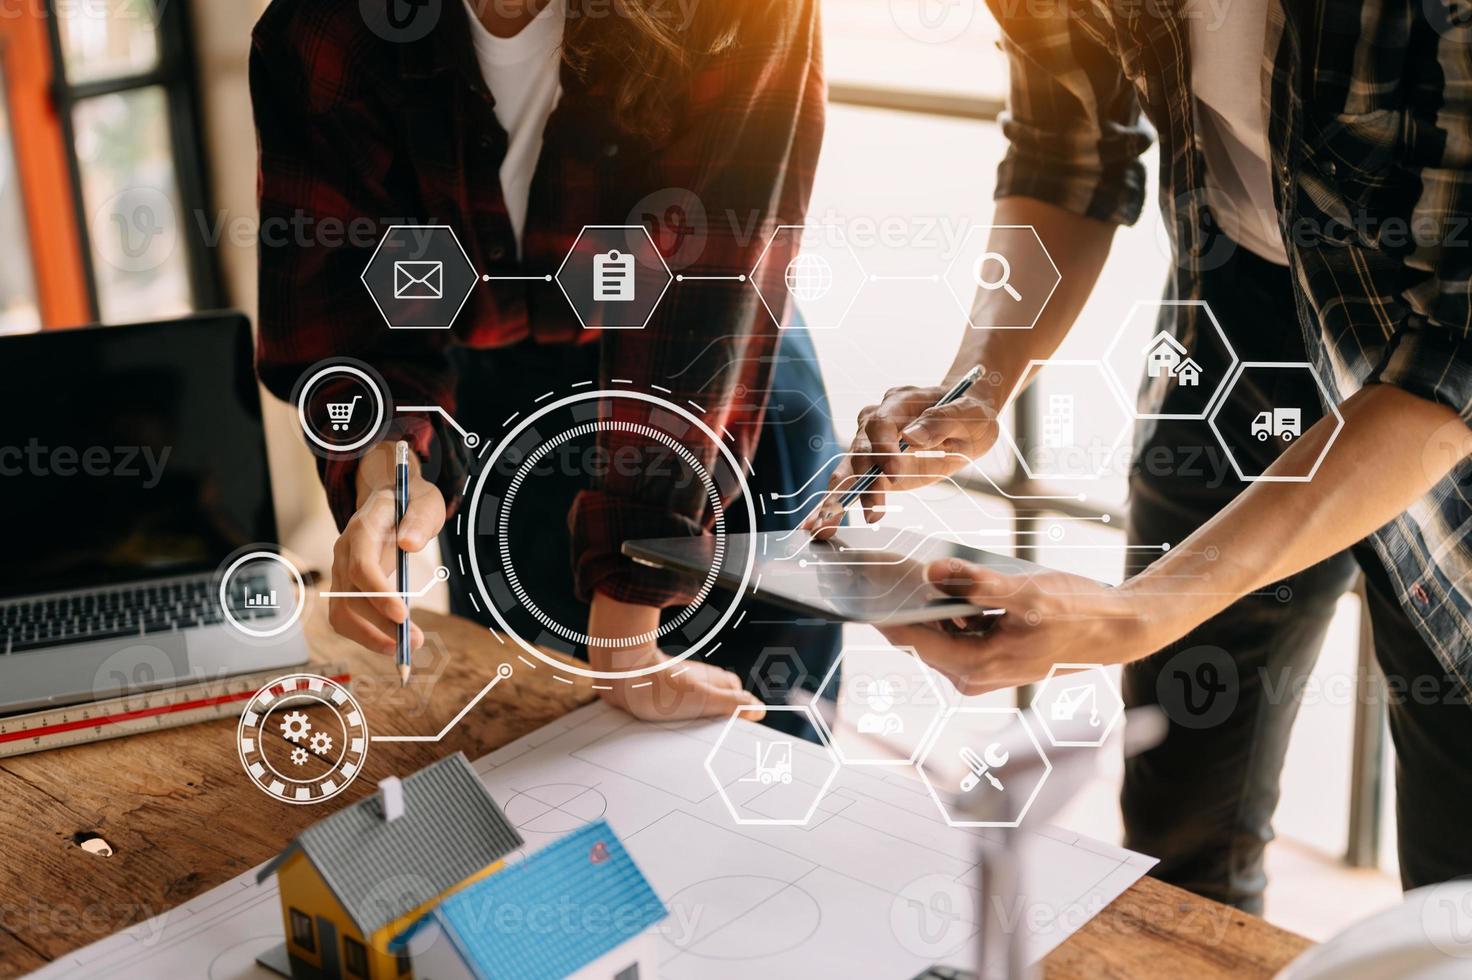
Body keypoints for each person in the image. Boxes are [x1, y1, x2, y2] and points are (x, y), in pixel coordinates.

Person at [807, 2, 1472, 910]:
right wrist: (977, 383)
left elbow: (1453, 355)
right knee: (1180, 830)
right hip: (1238, 320)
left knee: (1456, 890)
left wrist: (1140, 612)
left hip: (1443, 360)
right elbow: (1067, 153)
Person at [252, 0, 839, 726]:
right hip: (493, 399)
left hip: (712, 385)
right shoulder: (325, 30)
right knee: (538, 735)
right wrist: (386, 478)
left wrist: (627, 620)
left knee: (769, 735)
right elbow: (352, 318)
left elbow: (707, 283)